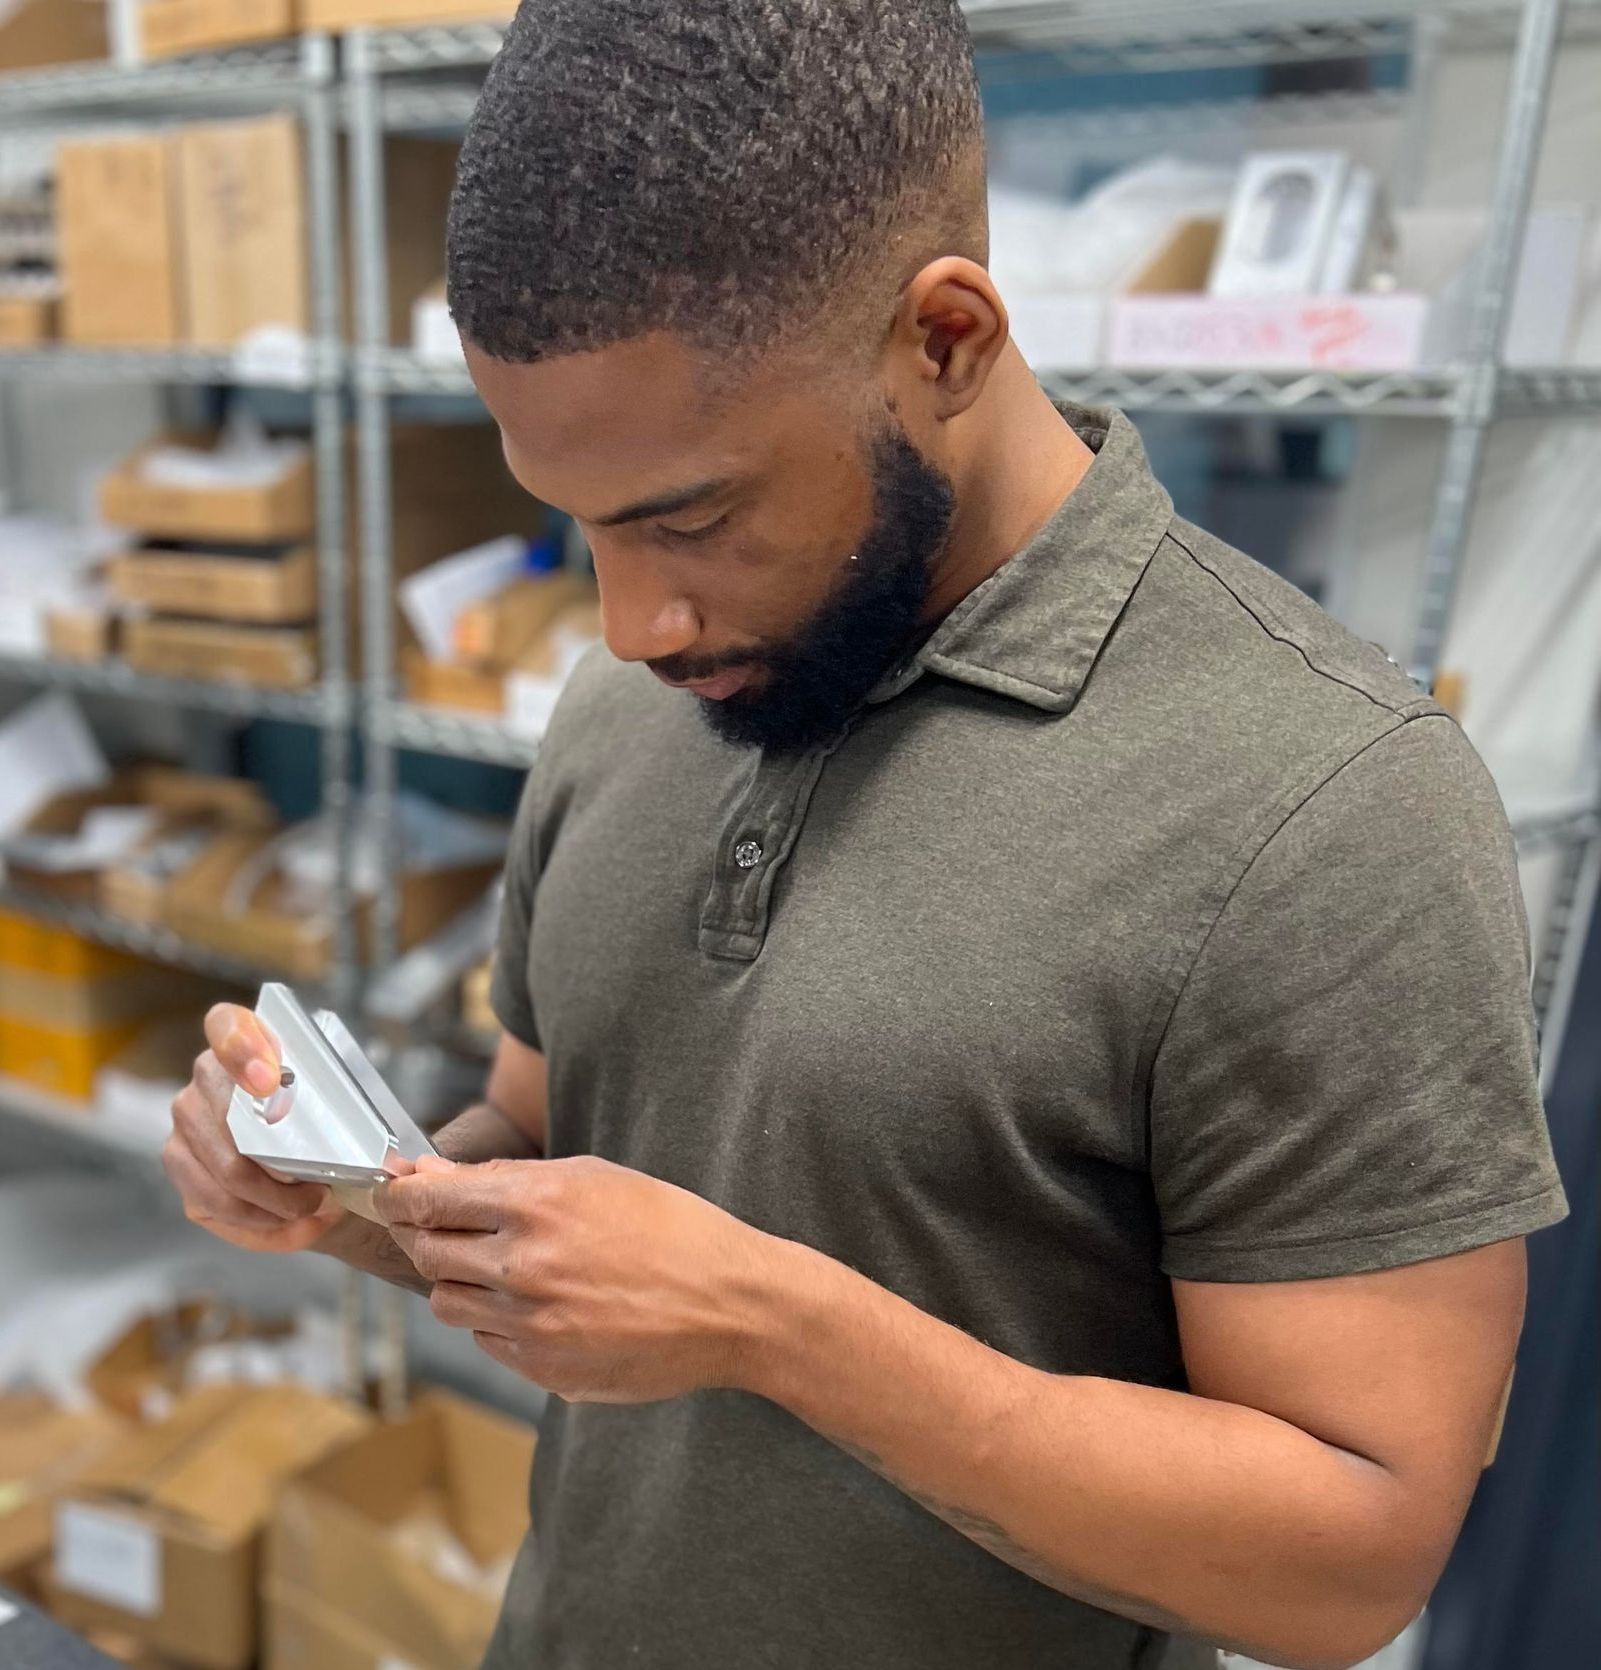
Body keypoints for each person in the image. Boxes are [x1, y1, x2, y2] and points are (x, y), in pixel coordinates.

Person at [166, 4, 1568, 1667]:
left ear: (949, 341)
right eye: (581, 531)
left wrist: (773, 1325)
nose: (626, 623)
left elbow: (1347, 1561)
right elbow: (543, 1141)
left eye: (690, 515)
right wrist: (355, 1197)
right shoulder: (643, 696)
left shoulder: (1326, 799)